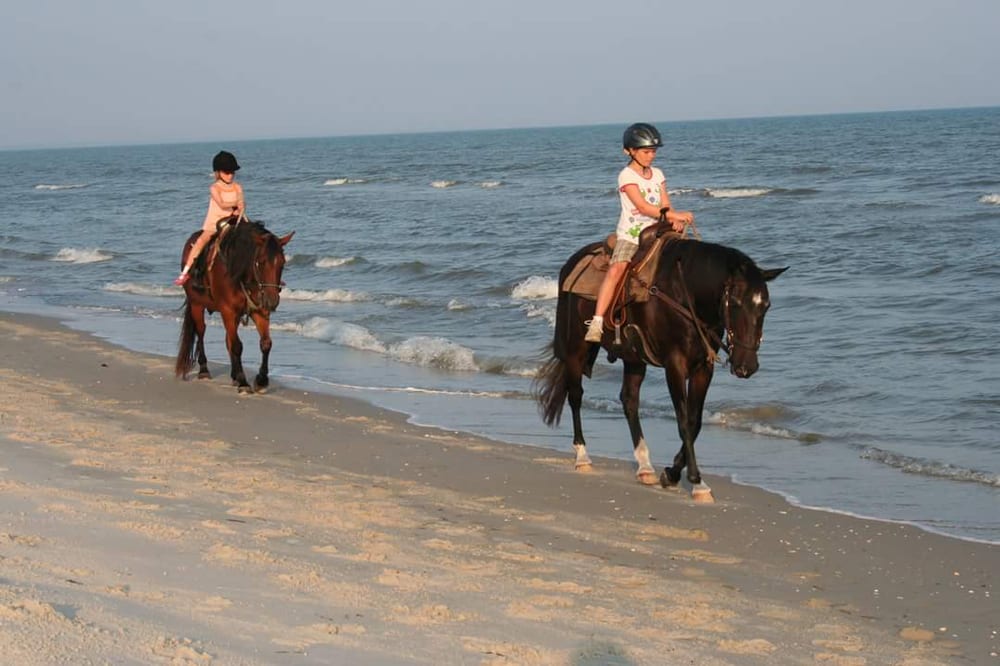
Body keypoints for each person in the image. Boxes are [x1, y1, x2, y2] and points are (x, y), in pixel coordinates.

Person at [584, 123, 695, 343]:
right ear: (629, 151)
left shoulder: (658, 174)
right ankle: (596, 322)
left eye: (653, 151)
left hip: (658, 230)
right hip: (632, 233)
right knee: (617, 269)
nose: (650, 156)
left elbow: (665, 204)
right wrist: (675, 216)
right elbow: (643, 207)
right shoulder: (626, 176)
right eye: (645, 151)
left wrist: (673, 220)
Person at [174, 150, 246, 286]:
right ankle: (185, 272)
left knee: (253, 239)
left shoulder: (237, 187)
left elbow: (241, 201)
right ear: (218, 173)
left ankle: (263, 275)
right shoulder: (215, 187)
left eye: (232, 172)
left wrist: (241, 206)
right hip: (215, 222)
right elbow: (222, 204)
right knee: (201, 241)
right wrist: (236, 204)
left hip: (233, 222)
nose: (230, 175)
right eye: (227, 172)